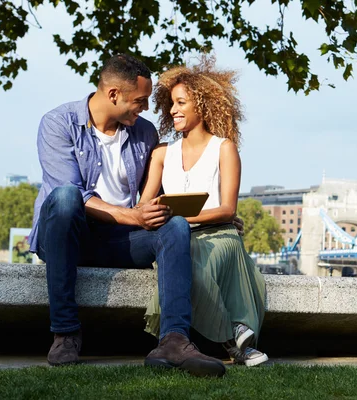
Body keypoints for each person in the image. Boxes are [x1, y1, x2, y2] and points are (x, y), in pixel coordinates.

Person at [29, 54, 225, 377]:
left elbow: (168, 185)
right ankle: (65, 332)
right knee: (65, 198)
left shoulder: (144, 134)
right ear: (113, 95)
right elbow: (74, 194)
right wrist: (133, 217)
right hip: (69, 237)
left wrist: (221, 213)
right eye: (140, 100)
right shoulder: (57, 123)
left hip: (118, 241)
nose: (146, 108)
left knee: (174, 226)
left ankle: (174, 339)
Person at [140, 58, 268, 367]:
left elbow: (227, 209)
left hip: (219, 234)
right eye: (171, 103)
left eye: (181, 102)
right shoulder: (161, 153)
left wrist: (182, 217)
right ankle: (234, 336)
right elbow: (144, 205)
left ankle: (217, 339)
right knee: (182, 253)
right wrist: (162, 217)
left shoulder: (224, 148)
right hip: (175, 235)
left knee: (197, 256)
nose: (173, 110)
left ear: (204, 105)